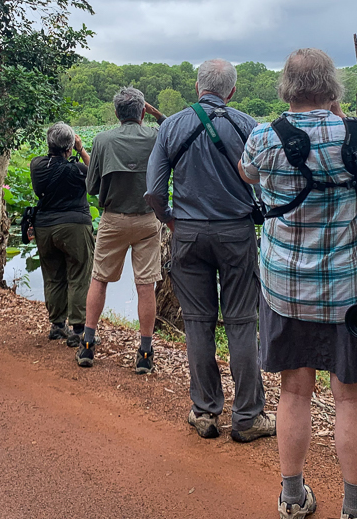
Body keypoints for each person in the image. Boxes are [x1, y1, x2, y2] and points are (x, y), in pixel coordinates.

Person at [238, 48, 357, 519]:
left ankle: (291, 497)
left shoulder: (265, 136)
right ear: (332, 88)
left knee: (293, 391)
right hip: (351, 293)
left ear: (287, 87)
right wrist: (342, 122)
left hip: (286, 291)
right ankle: (355, 507)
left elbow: (247, 174)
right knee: (350, 395)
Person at [145, 59, 275, 443]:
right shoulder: (248, 126)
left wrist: (171, 220)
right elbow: (266, 185)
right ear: (231, 91)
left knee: (198, 322)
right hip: (236, 234)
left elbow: (153, 190)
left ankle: (205, 411)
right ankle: (248, 416)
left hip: (187, 233)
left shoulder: (171, 126)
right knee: (241, 322)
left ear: (197, 86)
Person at [77, 87, 166, 373]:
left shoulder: (102, 140)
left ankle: (88, 344)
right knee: (145, 285)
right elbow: (176, 130)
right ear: (142, 112)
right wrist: (156, 114)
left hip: (113, 219)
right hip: (147, 220)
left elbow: (91, 187)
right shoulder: (155, 136)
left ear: (116, 113)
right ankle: (145, 351)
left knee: (99, 279)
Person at [30, 122, 94, 348]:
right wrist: (81, 150)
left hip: (44, 227)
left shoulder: (36, 164)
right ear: (68, 148)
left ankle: (57, 325)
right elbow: (95, 174)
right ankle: (78, 329)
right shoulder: (75, 169)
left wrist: (69, 151)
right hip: (74, 226)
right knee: (78, 275)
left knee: (53, 276)